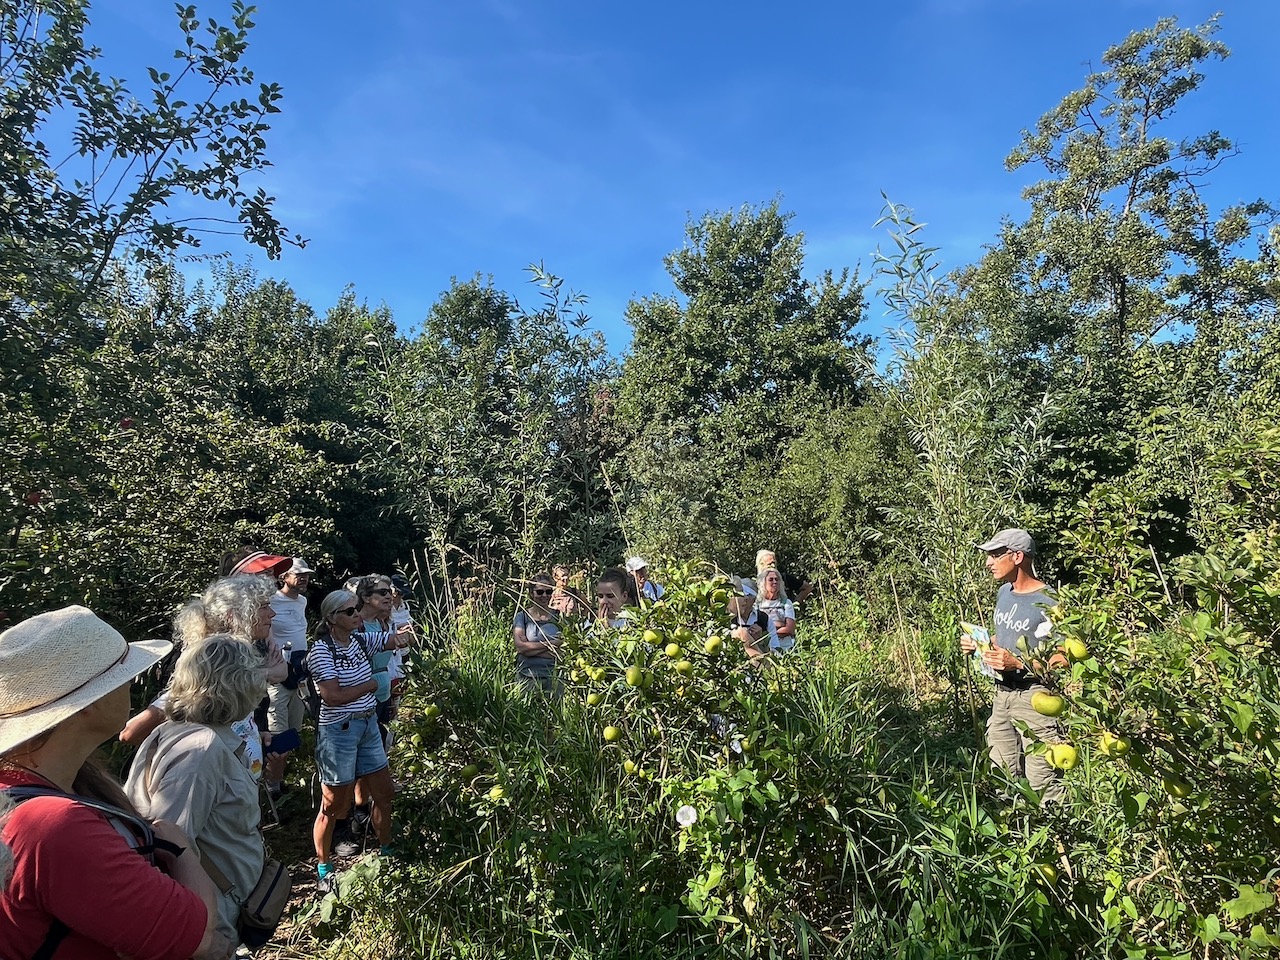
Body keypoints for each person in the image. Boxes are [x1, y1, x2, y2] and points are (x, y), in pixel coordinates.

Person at [0, 606, 231, 960]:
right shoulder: (52, 825)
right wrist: (181, 849)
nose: (131, 685)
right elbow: (195, 936)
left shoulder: (34, 787)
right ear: (87, 704)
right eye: (122, 676)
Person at [125, 635, 268, 948]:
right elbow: (169, 847)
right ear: (238, 684)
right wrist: (206, 940)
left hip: (223, 910)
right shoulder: (200, 750)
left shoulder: (189, 735)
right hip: (211, 920)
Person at [120, 575, 286, 784]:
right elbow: (130, 733)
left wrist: (251, 735)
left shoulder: (235, 664)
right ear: (233, 616)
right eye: (263, 606)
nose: (272, 613)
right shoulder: (210, 667)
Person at [307, 590, 412, 892]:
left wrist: (407, 634)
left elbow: (395, 640)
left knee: (384, 793)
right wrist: (371, 684)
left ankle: (387, 851)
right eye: (350, 612)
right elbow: (332, 696)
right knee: (333, 804)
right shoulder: (321, 652)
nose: (357, 615)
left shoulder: (359, 640)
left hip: (367, 725)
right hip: (338, 732)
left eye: (356, 609)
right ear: (331, 618)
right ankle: (324, 869)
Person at [959, 528, 1065, 802]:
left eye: (995, 555)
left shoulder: (1050, 601)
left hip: (1036, 699)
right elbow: (1006, 638)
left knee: (1043, 779)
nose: (988, 562)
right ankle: (1013, 823)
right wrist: (980, 642)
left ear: (1017, 557)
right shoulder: (1004, 593)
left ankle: (1057, 826)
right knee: (1002, 774)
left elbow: (1064, 657)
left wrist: (1018, 663)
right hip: (1001, 695)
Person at [264, 557, 314, 799]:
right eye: (298, 574)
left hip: (299, 670)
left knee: (294, 728)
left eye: (306, 575)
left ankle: (280, 778)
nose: (304, 578)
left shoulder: (302, 601)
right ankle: (272, 787)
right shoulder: (271, 601)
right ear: (284, 577)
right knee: (277, 729)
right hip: (277, 672)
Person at [513, 573, 562, 695]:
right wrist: (553, 644)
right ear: (531, 593)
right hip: (526, 676)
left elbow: (563, 652)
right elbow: (521, 647)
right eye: (540, 592)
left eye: (548, 591)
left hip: (554, 677)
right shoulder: (522, 617)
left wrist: (530, 650)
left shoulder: (560, 617)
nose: (544, 595)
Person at [754, 569, 797, 653]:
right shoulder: (758, 604)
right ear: (763, 583)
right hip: (764, 648)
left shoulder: (786, 603)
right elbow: (755, 628)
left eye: (777, 579)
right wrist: (779, 625)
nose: (775, 582)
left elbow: (790, 629)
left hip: (784, 648)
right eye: (771, 579)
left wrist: (767, 629)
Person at [728, 593, 769, 659]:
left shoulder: (763, 618)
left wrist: (761, 641)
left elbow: (774, 651)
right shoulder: (737, 630)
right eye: (741, 594)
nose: (746, 598)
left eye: (748, 595)